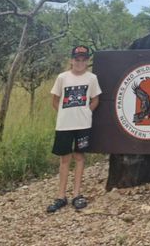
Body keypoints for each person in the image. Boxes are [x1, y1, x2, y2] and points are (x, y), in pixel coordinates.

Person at [46, 45, 101, 212]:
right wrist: (65, 114)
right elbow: (55, 100)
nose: (80, 63)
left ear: (87, 61)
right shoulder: (62, 77)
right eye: (77, 59)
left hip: (83, 124)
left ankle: (77, 194)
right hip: (64, 125)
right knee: (65, 158)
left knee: (79, 156)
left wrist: (86, 112)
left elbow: (95, 99)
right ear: (71, 60)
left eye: (83, 60)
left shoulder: (91, 78)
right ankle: (61, 196)